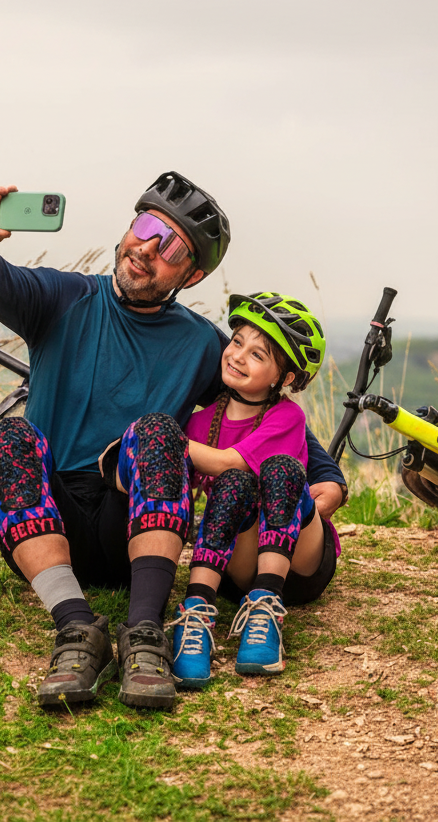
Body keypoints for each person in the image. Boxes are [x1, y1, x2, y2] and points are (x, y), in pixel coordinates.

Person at [0, 171, 346, 711]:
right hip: (49, 522)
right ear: (128, 227)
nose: (148, 249)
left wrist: (325, 477)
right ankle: (75, 627)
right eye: (145, 227)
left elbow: (271, 414)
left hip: (134, 524)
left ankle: (144, 634)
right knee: (7, 434)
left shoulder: (202, 345)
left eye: (173, 248)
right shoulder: (63, 298)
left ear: (191, 275)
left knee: (159, 431)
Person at [170, 293, 340, 689]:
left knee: (277, 470)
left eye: (258, 354)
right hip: (238, 565)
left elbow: (230, 461)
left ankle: (266, 611)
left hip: (301, 562)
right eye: (237, 342)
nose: (238, 355)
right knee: (233, 487)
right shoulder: (200, 424)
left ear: (288, 379)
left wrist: (164, 441)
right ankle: (195, 614)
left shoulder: (287, 417)